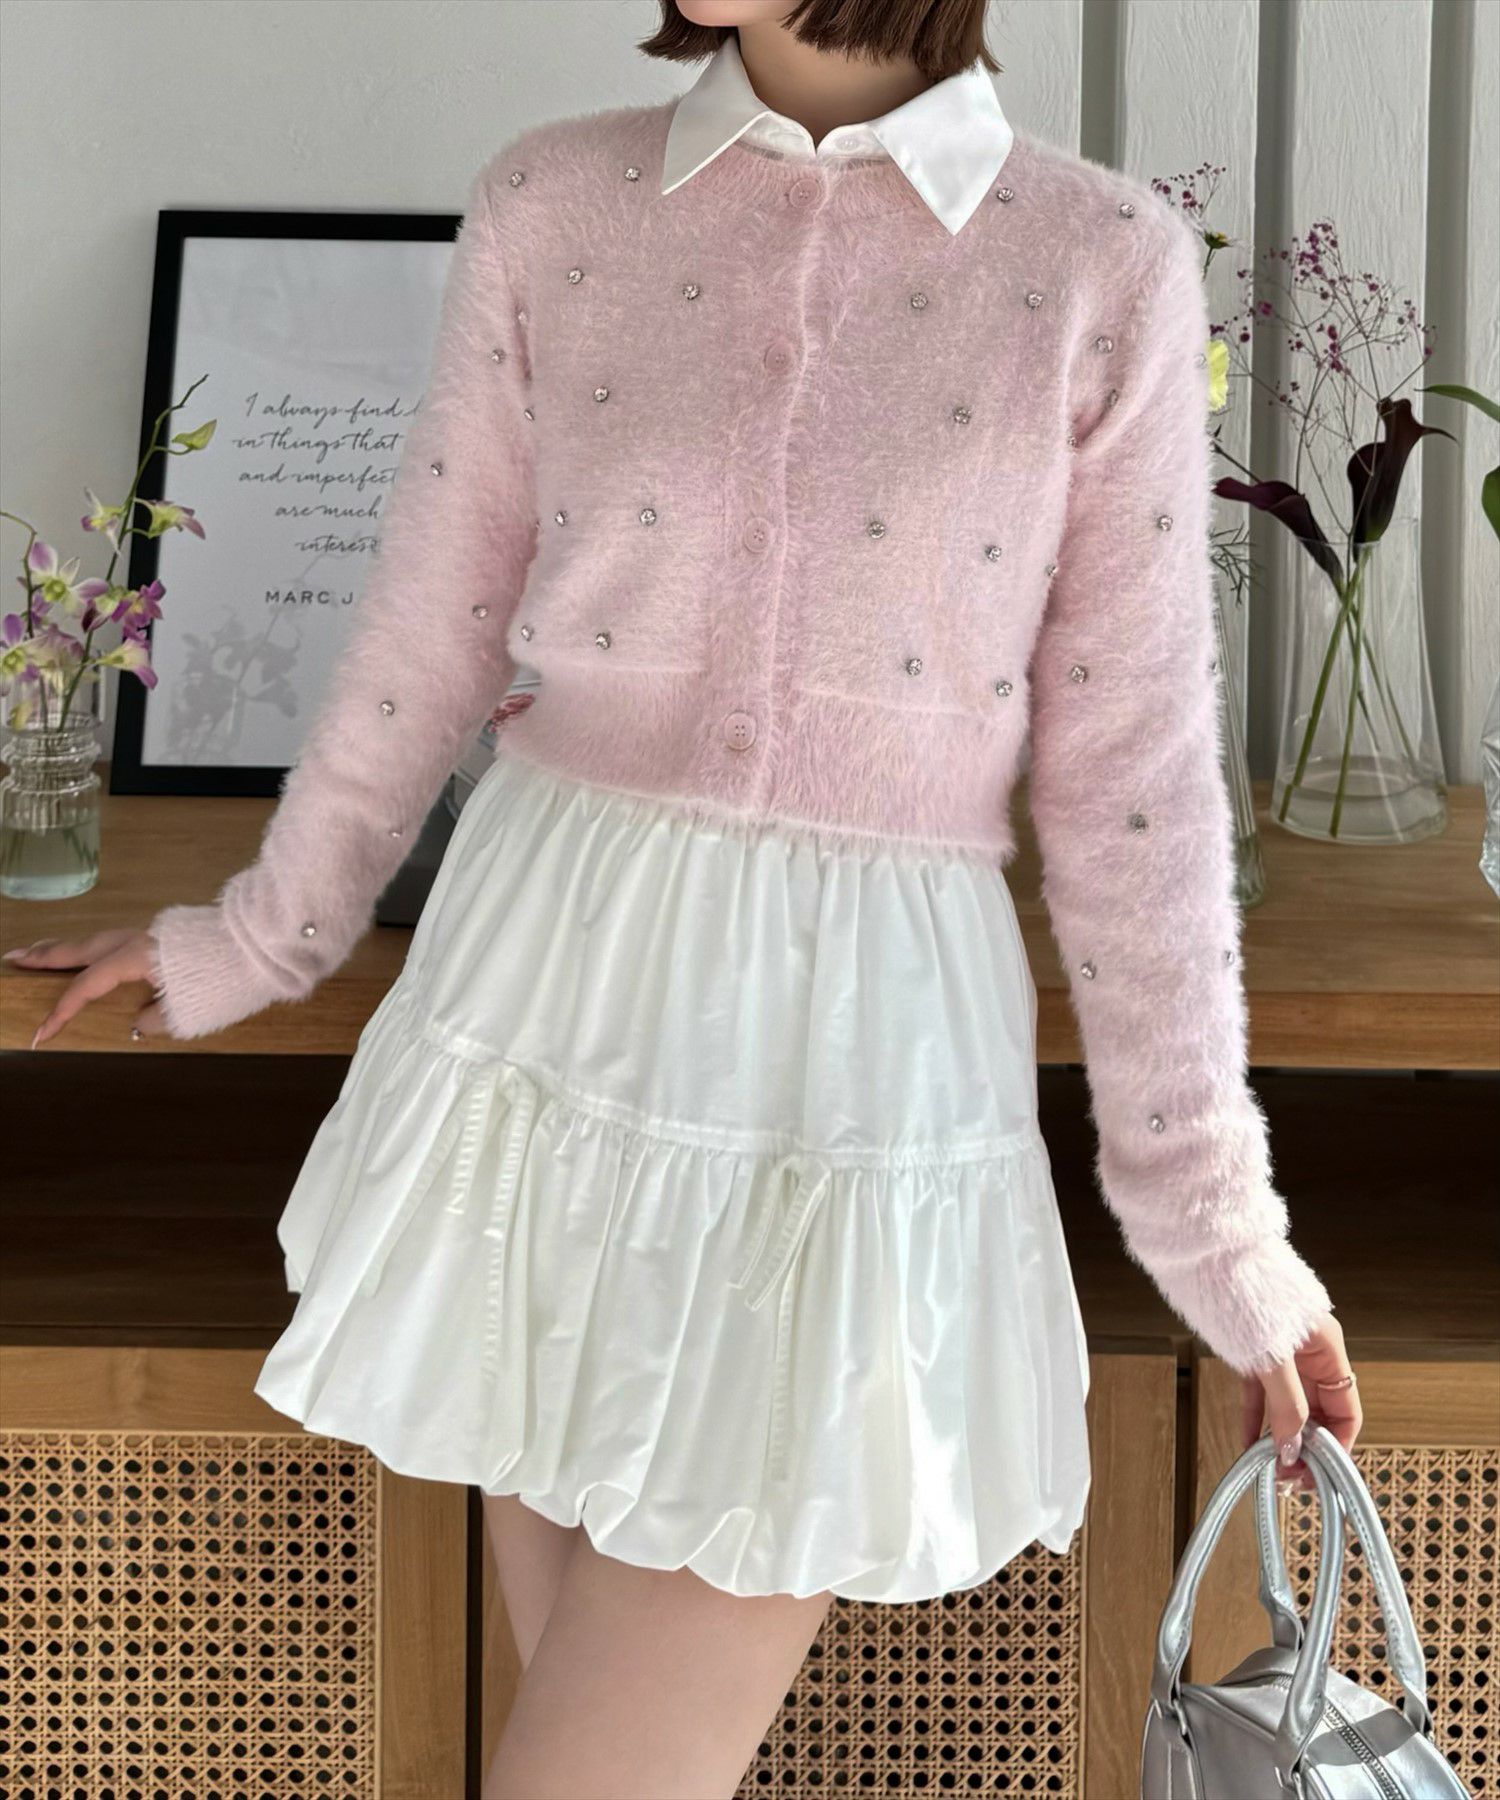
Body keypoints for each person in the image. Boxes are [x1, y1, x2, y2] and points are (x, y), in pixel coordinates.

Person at [9, 3, 1361, 1795]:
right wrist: (255, 938)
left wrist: (1220, 1228)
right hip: (541, 1012)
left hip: (852, 1065)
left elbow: (1137, 785)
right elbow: (428, 625)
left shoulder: (1096, 263)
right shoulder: (553, 204)